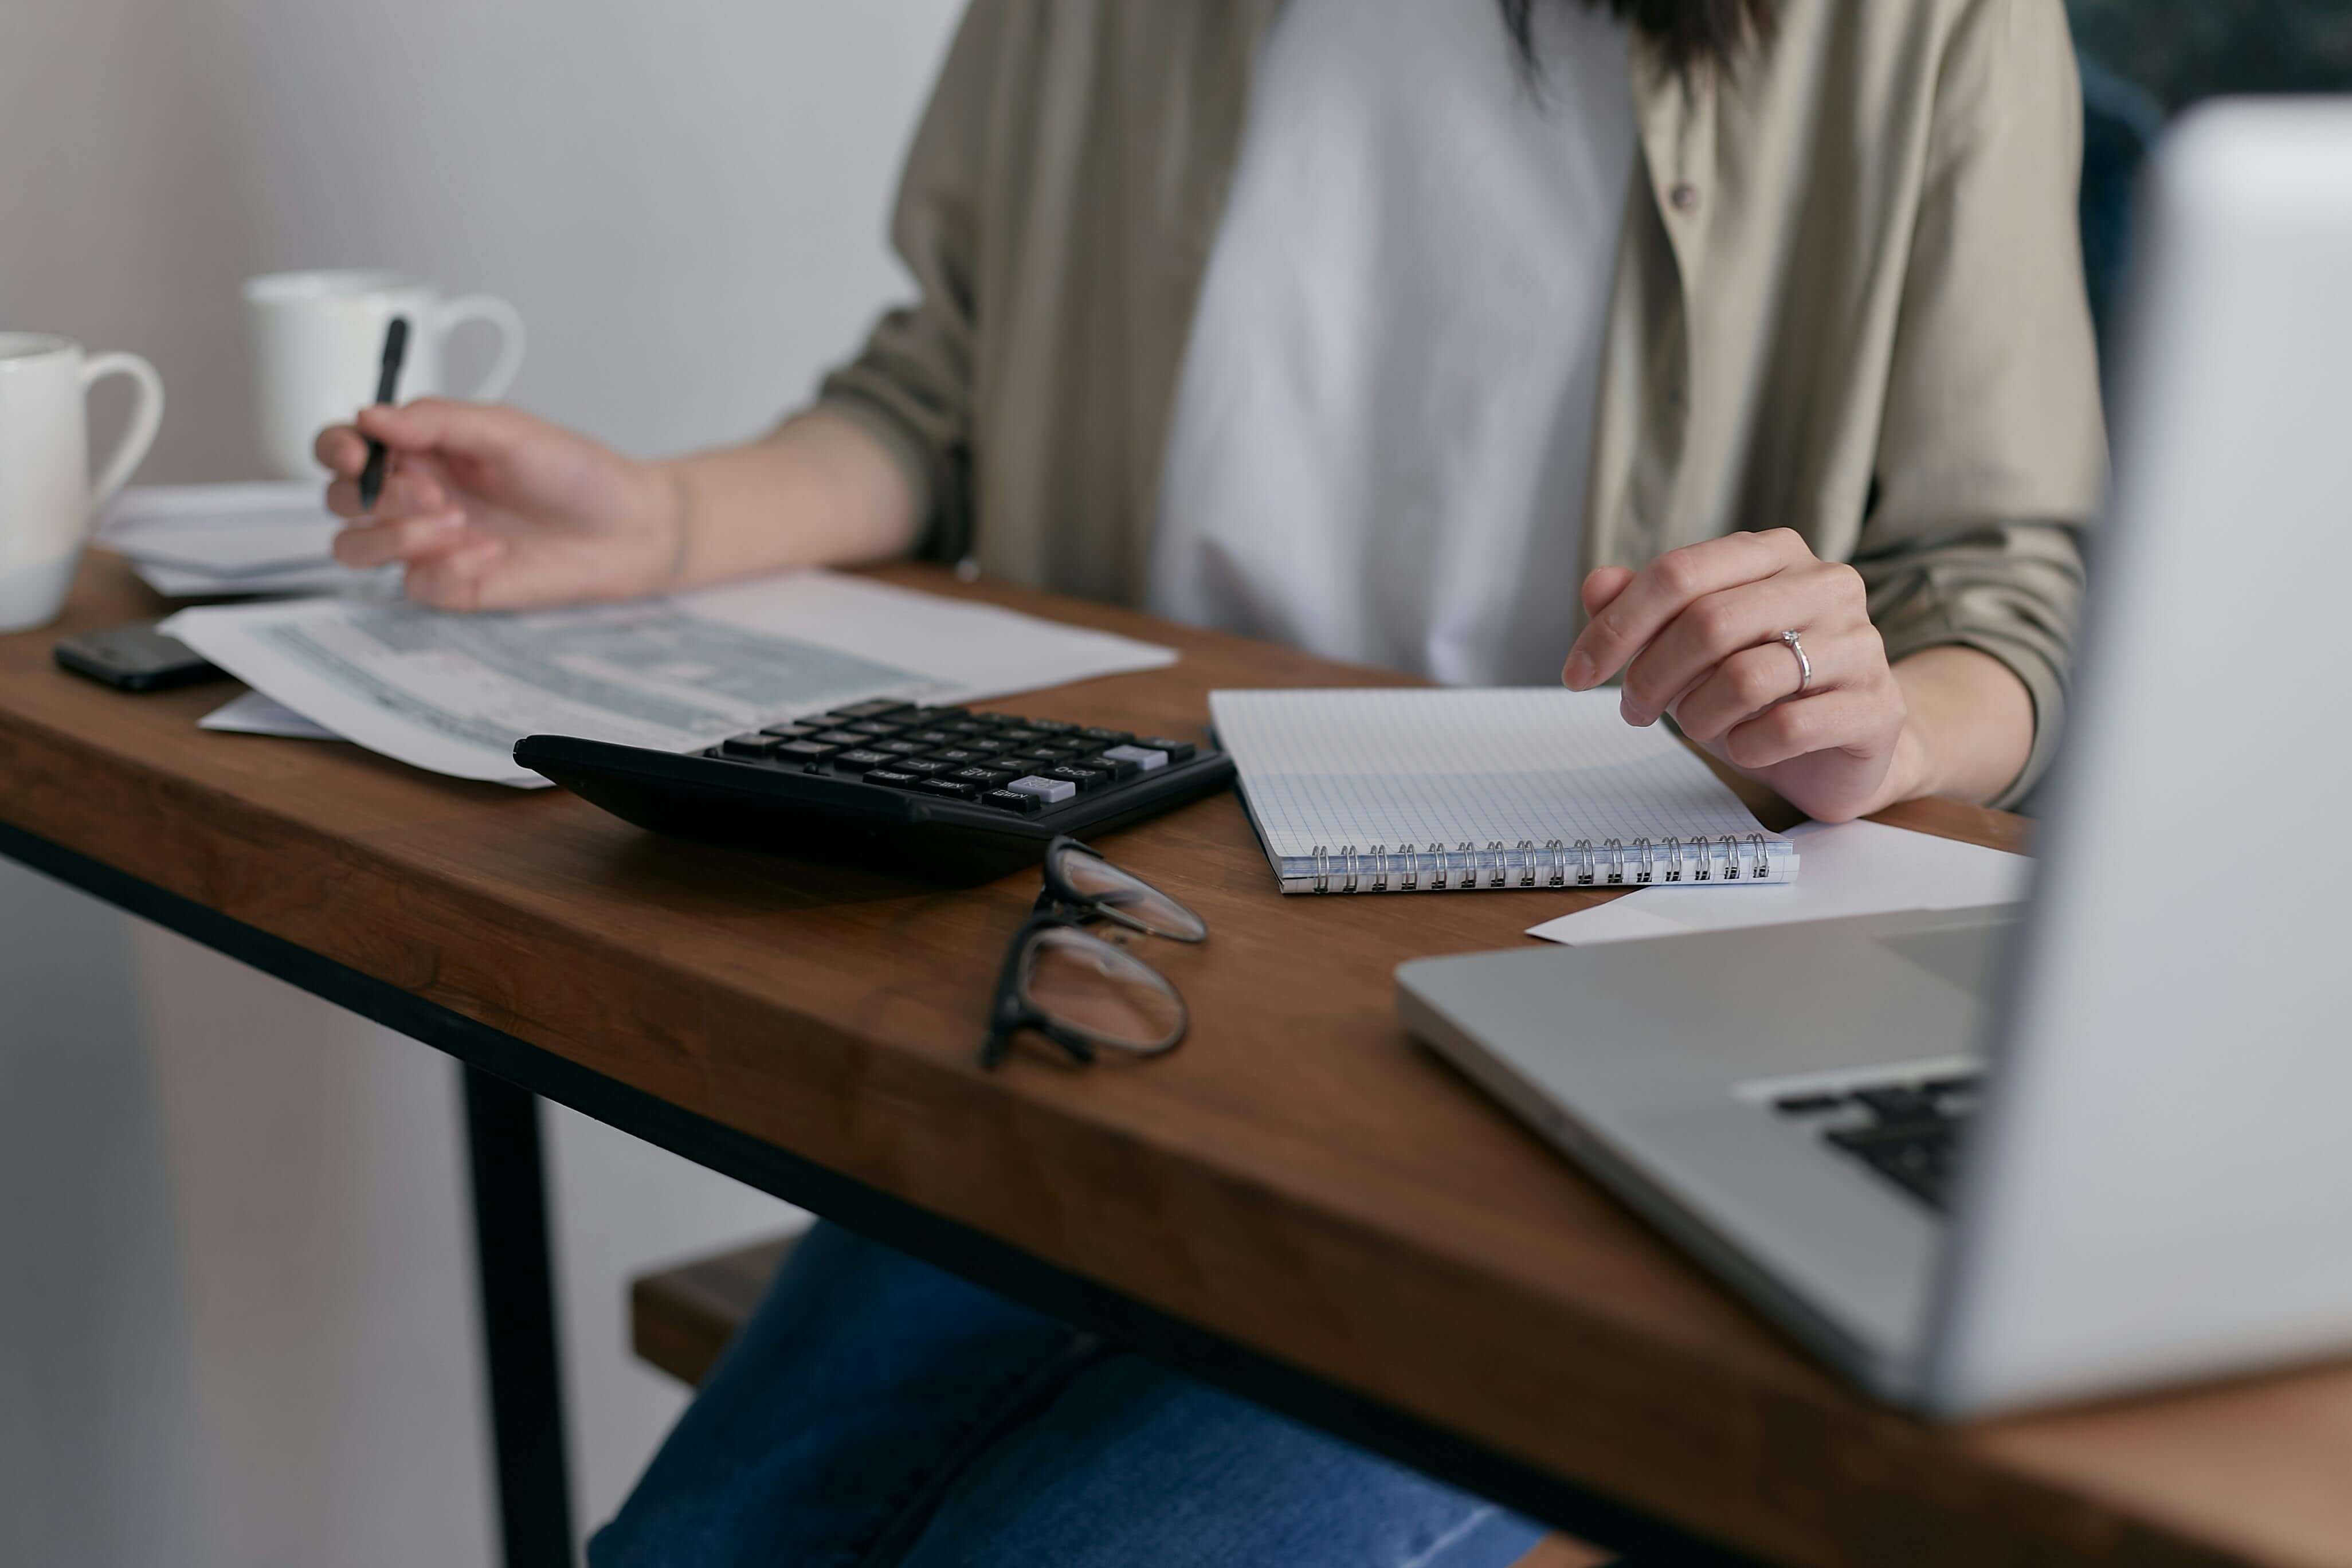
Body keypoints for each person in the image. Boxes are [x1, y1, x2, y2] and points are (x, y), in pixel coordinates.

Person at [317, 1, 2104, 1562]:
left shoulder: (1922, 17)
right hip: (1114, 960)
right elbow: (943, 398)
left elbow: (2003, 591)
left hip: (1597, 1031)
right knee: (694, 1549)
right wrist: (668, 519)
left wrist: (1876, 727)